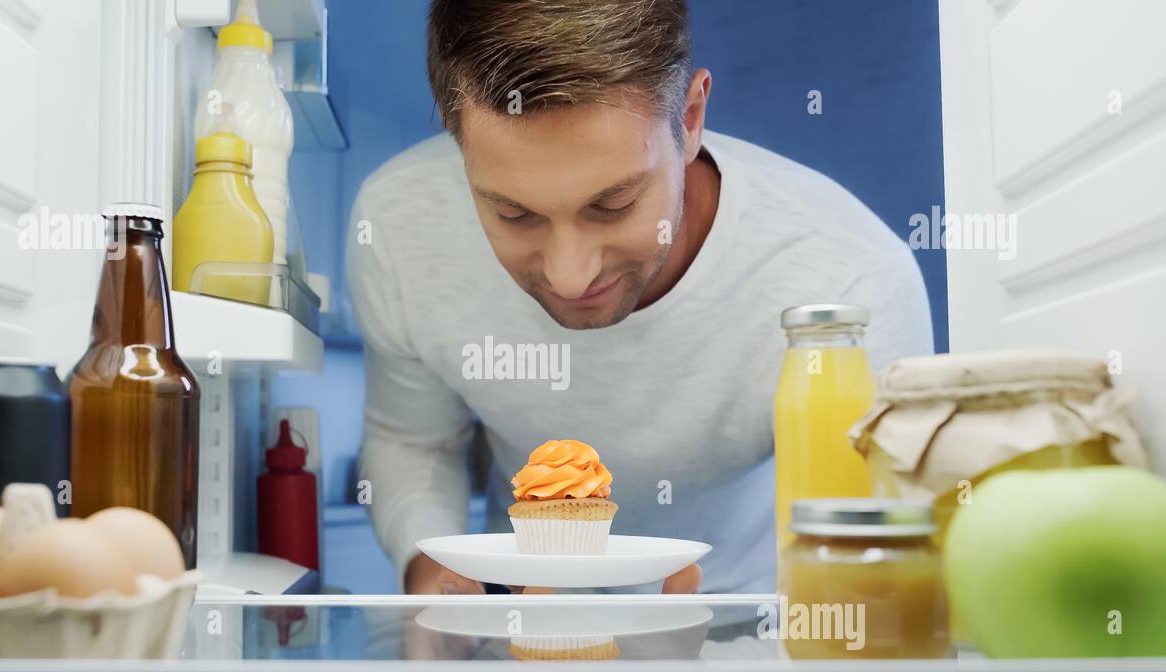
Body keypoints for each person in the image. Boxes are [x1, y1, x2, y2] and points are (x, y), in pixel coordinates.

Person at [348, 0, 933, 594]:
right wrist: (433, 570)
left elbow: (875, 552)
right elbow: (412, 439)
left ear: (691, 117)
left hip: (745, 630)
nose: (570, 277)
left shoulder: (849, 282)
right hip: (527, 622)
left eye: (613, 204)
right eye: (513, 212)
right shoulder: (398, 225)